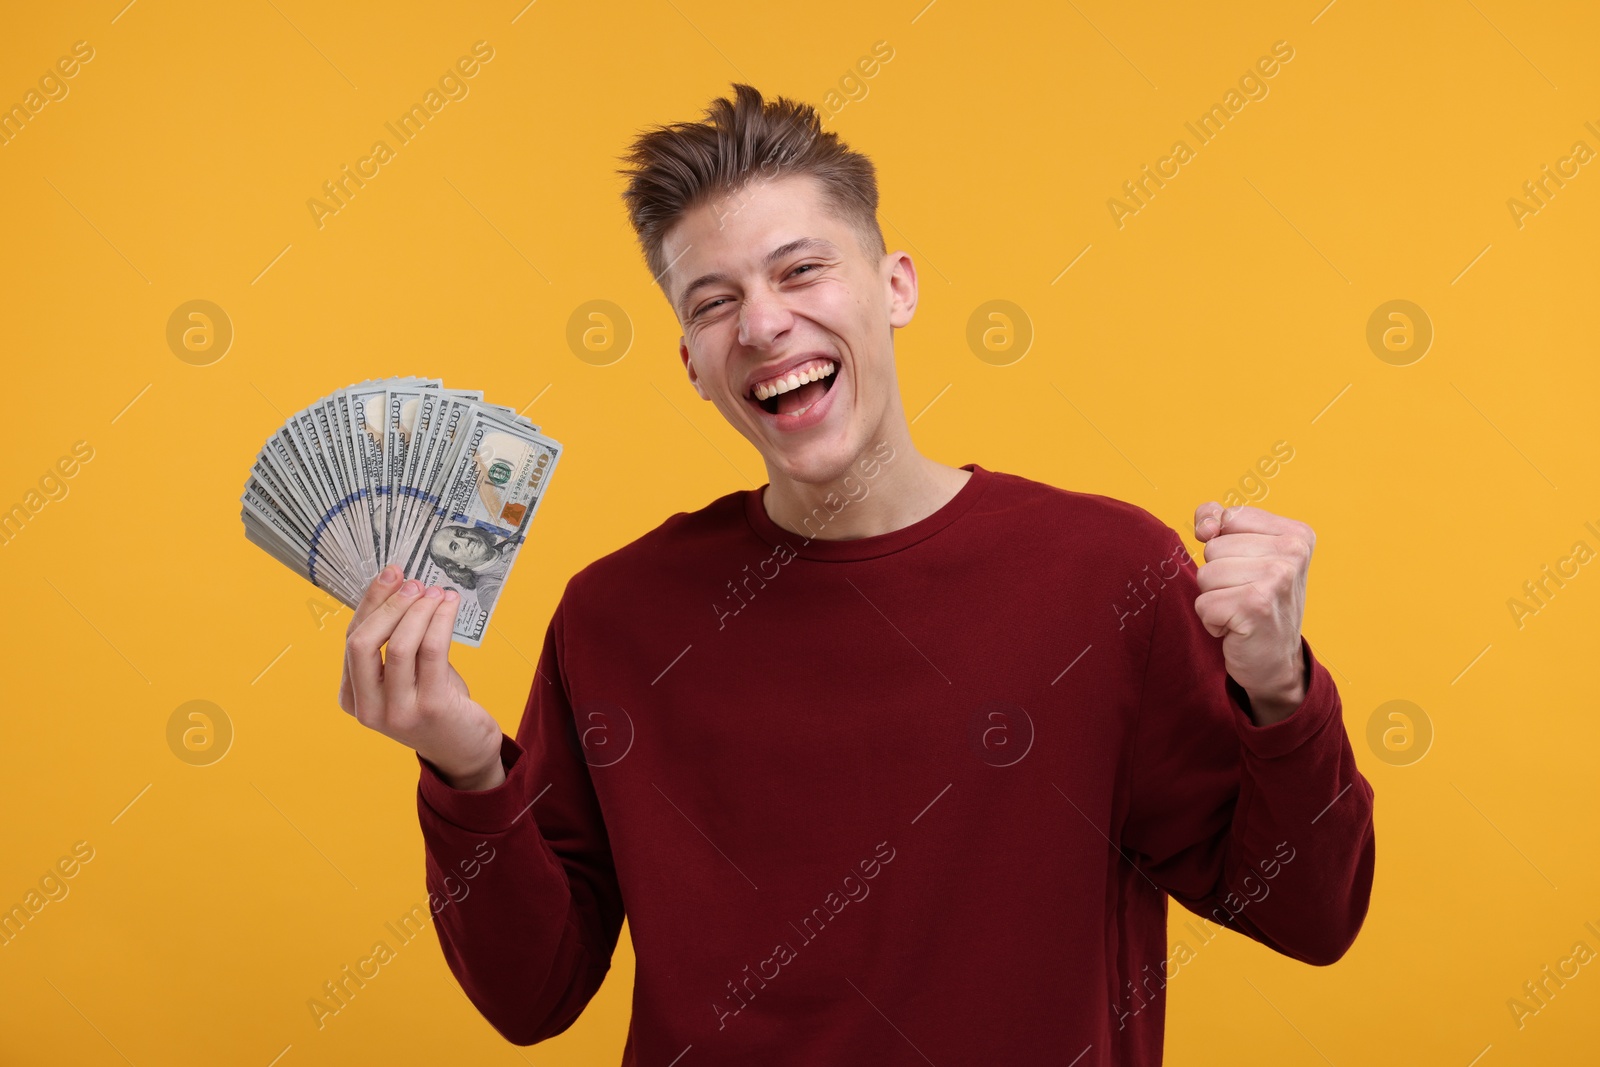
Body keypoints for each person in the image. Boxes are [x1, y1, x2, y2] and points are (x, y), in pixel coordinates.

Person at [337, 83, 1375, 1065]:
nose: (761, 322)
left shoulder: (1107, 572)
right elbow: (535, 993)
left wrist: (1279, 691)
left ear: (896, 287)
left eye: (799, 271)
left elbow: (1309, 914)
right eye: (713, 300)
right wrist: (469, 769)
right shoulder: (615, 614)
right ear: (692, 364)